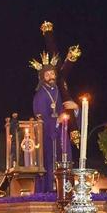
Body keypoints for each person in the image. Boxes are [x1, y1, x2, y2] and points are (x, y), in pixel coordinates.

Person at [30, 53, 79, 193]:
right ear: (42, 77)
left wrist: (75, 109)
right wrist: (55, 121)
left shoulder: (62, 91)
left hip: (62, 136)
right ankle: (49, 190)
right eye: (47, 74)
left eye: (52, 73)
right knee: (49, 161)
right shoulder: (40, 95)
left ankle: (67, 191)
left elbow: (70, 111)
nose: (51, 76)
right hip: (48, 138)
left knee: (66, 161)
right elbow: (40, 119)